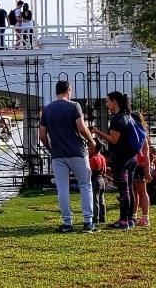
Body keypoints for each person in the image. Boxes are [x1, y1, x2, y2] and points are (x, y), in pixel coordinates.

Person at [39, 80, 98, 233]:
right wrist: (91, 141)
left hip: (58, 153)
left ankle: (67, 223)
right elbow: (81, 127)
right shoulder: (74, 106)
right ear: (68, 90)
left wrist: (50, 149)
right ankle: (88, 222)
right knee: (85, 185)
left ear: (56, 92)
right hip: (77, 151)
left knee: (62, 188)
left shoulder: (47, 109)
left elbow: (42, 135)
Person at [91, 92, 138, 230]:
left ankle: (123, 221)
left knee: (124, 191)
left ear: (115, 102)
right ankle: (130, 219)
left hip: (122, 159)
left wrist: (98, 132)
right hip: (131, 158)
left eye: (107, 101)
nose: (106, 104)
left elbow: (114, 140)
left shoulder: (118, 119)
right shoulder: (128, 117)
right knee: (129, 188)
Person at [131, 113, 153, 227]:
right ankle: (134, 215)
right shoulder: (133, 133)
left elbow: (146, 154)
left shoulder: (142, 134)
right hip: (132, 164)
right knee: (134, 192)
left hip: (139, 166)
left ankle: (145, 217)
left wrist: (147, 170)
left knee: (142, 192)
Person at [89, 143, 107, 225]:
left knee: (95, 201)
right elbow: (104, 171)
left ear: (94, 148)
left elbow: (89, 172)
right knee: (101, 200)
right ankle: (103, 217)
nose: (88, 149)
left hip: (95, 180)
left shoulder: (93, 159)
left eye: (90, 147)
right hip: (101, 180)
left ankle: (95, 218)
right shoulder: (102, 158)